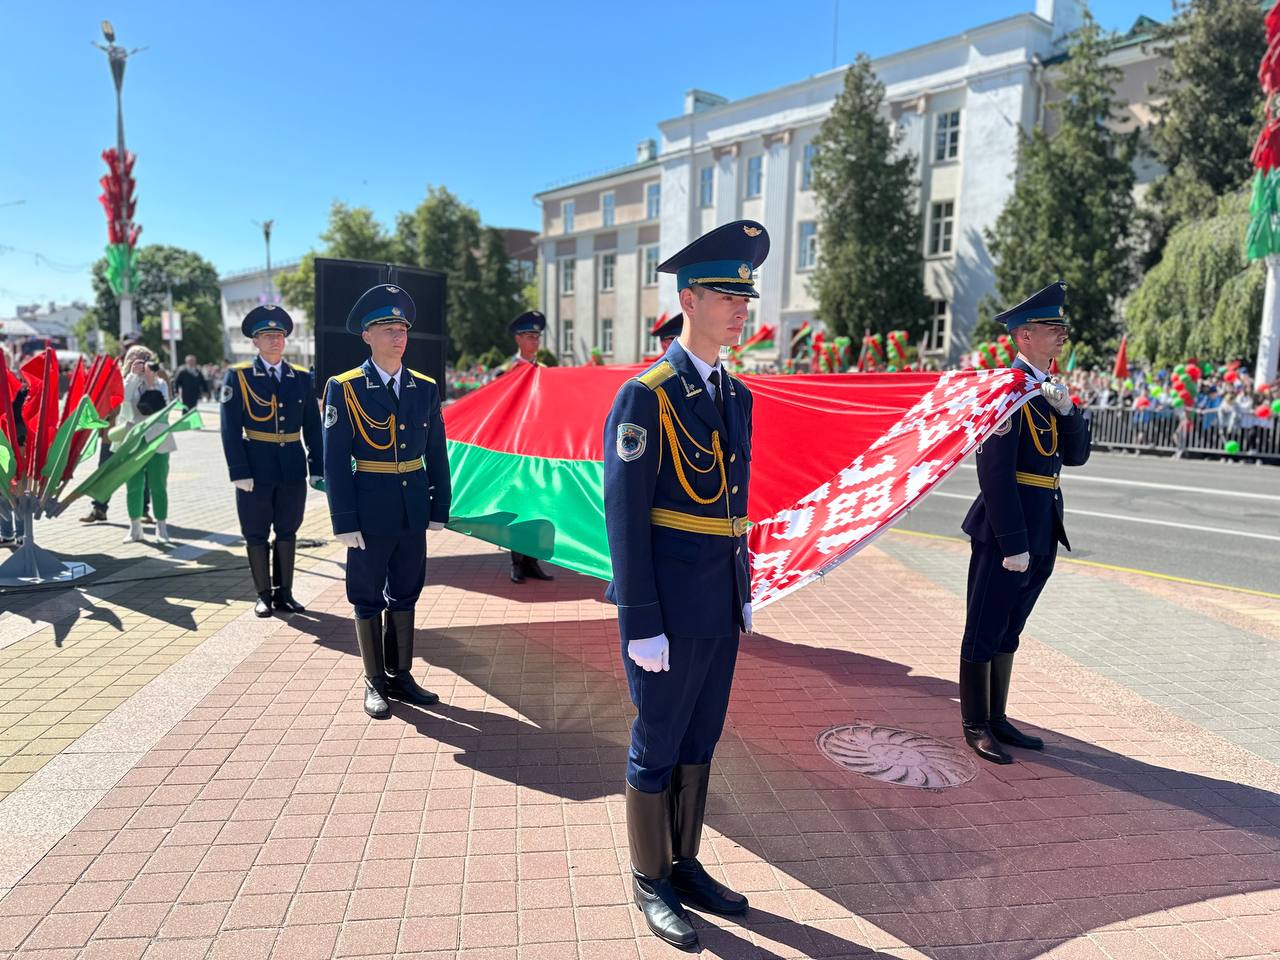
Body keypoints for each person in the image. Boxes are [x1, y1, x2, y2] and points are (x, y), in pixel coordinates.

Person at [603, 220, 766, 949]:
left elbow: (734, 501)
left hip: (718, 603)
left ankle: (685, 861)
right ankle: (650, 879)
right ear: (691, 298)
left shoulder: (737, 395)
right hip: (666, 611)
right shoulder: (648, 396)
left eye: (745, 295)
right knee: (658, 741)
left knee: (702, 738)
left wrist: (744, 585)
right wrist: (641, 620)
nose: (741, 307)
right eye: (728, 294)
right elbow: (626, 517)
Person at [959, 280, 1091, 764]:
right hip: (1005, 532)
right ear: (1023, 337)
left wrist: (1069, 411)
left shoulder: (1046, 391)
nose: (1061, 335)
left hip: (1043, 527)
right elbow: (994, 474)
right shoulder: (1006, 392)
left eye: (1062, 327)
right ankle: (975, 723)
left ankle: (997, 717)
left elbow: (1074, 457)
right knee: (985, 626)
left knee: (1010, 629)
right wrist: (1013, 542)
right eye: (1051, 327)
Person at [322, 283, 451, 719]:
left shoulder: (424, 387)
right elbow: (336, 460)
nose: (397, 335)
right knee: (366, 595)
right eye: (386, 327)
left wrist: (439, 506)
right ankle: (373, 681)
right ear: (367, 336)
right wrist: (343, 520)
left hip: (412, 506)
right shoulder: (345, 387)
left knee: (406, 592)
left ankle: (401, 674)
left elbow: (436, 451)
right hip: (369, 509)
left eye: (401, 327)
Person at [219, 305, 322, 618]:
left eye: (279, 335)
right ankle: (263, 594)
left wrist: (317, 467)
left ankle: (285, 593)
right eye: (267, 335)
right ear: (255, 341)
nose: (275, 341)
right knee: (256, 532)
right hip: (256, 468)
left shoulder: (302, 378)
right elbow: (229, 428)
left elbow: (312, 427)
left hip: (291, 466)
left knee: (288, 531)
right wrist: (238, 471)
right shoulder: (239, 377)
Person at [497, 310, 556, 584]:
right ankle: (517, 563)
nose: (535, 342)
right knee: (518, 508)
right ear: (518, 339)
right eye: (530, 336)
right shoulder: (506, 373)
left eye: (537, 337)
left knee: (538, 507)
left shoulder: (544, 373)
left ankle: (533, 561)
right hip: (514, 452)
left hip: (538, 452)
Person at [119, 348, 176, 544]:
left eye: (146, 360)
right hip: (134, 439)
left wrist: (151, 384)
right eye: (138, 361)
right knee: (133, 485)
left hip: (158, 439)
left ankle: (162, 527)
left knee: (158, 485)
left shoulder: (160, 383)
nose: (143, 365)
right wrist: (134, 377)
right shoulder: (127, 382)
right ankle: (135, 527)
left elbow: (163, 408)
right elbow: (124, 402)